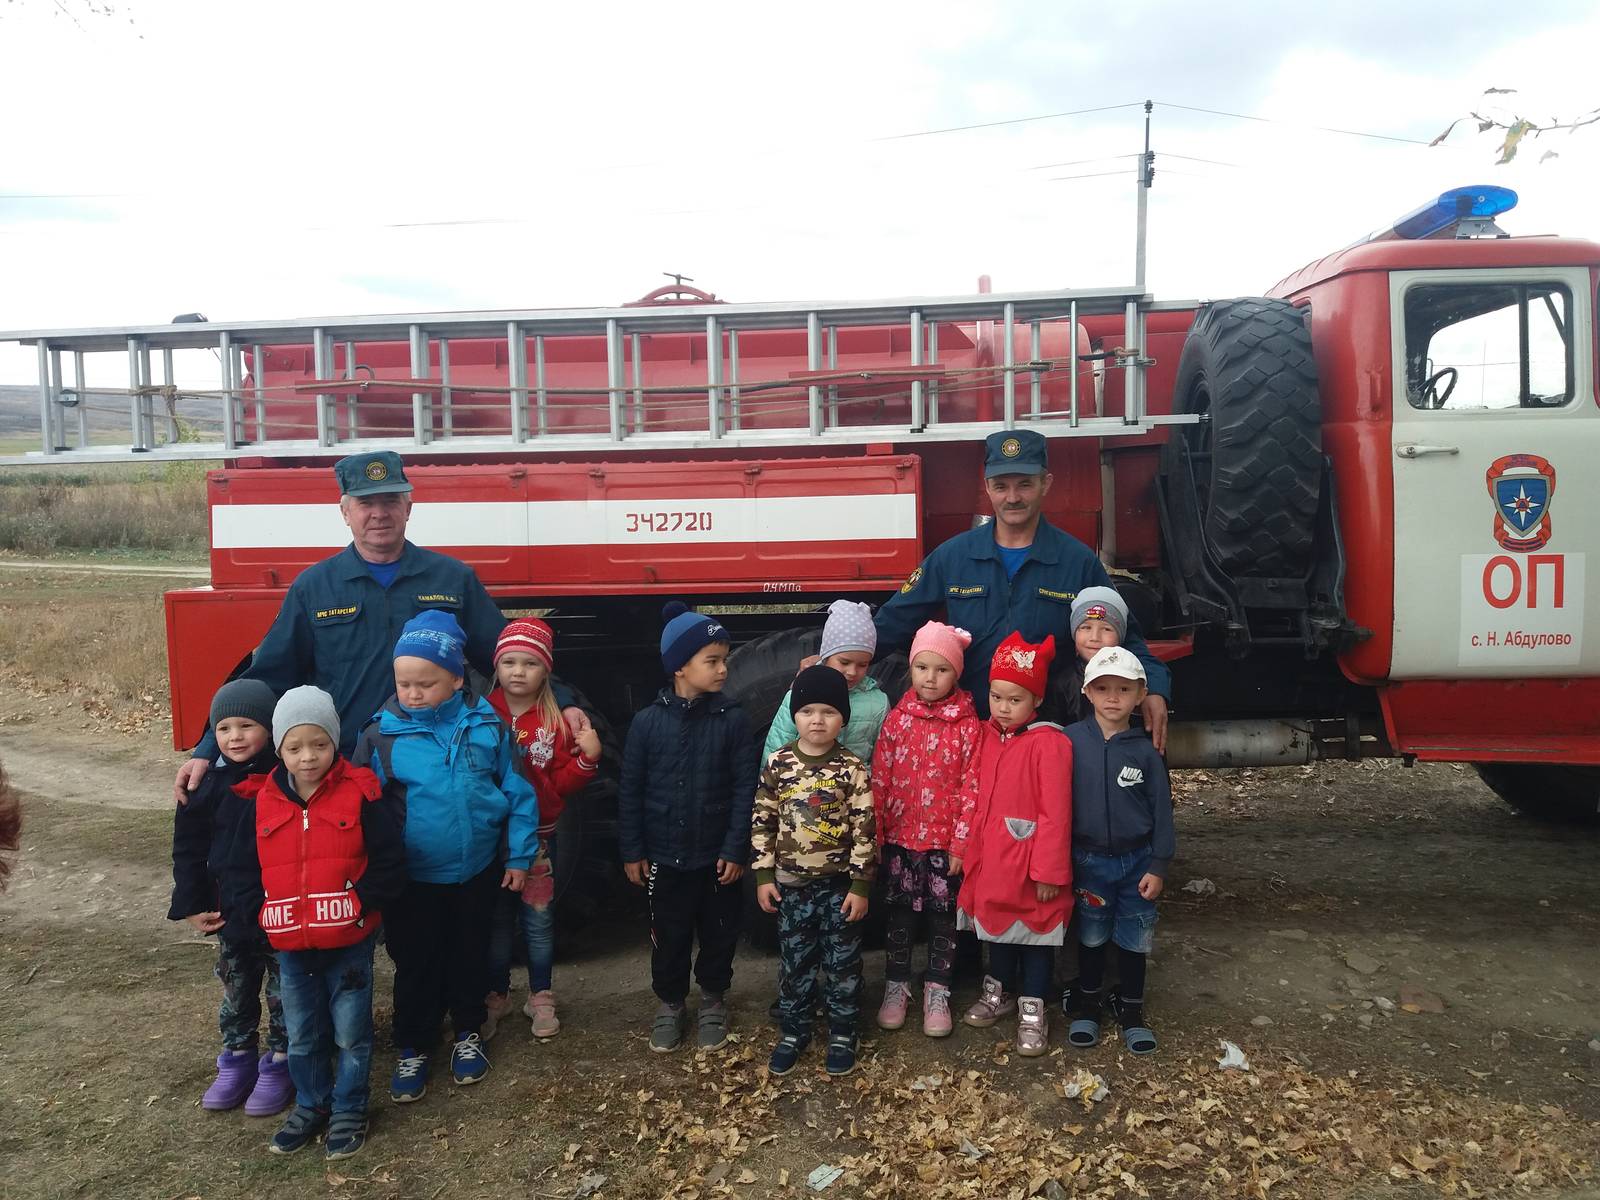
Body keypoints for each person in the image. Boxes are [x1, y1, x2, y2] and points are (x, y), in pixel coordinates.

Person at [173, 451, 585, 799]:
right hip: (350, 768)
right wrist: (210, 748)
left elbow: (510, 660)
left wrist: (563, 703)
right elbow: (269, 678)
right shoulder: (314, 588)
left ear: (408, 507)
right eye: (366, 503)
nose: (379, 513)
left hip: (443, 765)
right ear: (345, 512)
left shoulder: (452, 579)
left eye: (390, 500)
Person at [873, 429, 1172, 750]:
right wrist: (836, 658)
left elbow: (1126, 638)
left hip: (1049, 732)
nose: (1012, 497)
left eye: (1025, 485)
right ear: (987, 487)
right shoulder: (953, 556)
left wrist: (1154, 688)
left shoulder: (1076, 561)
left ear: (1046, 483)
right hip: (970, 729)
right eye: (1001, 486)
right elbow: (893, 622)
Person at [354, 610, 540, 1101]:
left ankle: (467, 1033)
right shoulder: (381, 735)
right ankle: (413, 1044)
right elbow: (360, 808)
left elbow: (518, 793)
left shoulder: (488, 727)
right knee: (415, 961)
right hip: (412, 880)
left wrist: (519, 858)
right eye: (404, 683)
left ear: (457, 679)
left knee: (468, 956)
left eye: (426, 683)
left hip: (475, 873)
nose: (413, 694)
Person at [239, 686, 406, 1159]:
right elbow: (243, 867)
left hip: (348, 939)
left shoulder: (361, 794)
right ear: (279, 749)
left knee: (351, 1031)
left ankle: (350, 1106)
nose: (308, 757)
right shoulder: (261, 801)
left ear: (335, 743)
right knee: (303, 1031)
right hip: (292, 945)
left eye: (319, 744)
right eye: (295, 747)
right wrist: (257, 913)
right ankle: (312, 1103)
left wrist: (362, 901)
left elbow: (390, 858)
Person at [619, 602, 759, 1053]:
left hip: (718, 858)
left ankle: (714, 998)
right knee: (669, 933)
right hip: (665, 855)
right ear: (680, 666)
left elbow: (745, 789)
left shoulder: (733, 720)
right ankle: (671, 1003)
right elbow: (631, 790)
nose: (723, 670)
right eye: (712, 660)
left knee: (720, 930)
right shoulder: (646, 724)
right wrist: (633, 850)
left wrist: (736, 849)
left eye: (725, 660)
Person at [167, 679, 292, 1117]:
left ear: (272, 730)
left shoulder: (287, 779)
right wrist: (192, 902)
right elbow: (188, 849)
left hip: (279, 911)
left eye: (246, 725)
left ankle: (281, 1060)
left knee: (283, 990)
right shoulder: (204, 785)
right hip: (230, 911)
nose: (234, 737)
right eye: (223, 728)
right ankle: (237, 1058)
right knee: (237, 987)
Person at [753, 665, 876, 1077]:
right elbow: (763, 822)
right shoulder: (779, 764)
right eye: (808, 711)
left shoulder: (852, 769)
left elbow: (865, 827)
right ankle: (794, 1030)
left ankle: (843, 1031)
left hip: (839, 888)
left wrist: (860, 884)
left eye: (828, 711)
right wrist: (764, 877)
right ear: (795, 715)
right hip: (791, 887)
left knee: (842, 964)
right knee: (795, 963)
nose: (817, 720)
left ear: (843, 718)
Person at [484, 618, 602, 1039]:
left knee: (537, 920)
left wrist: (586, 760)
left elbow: (562, 783)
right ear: (496, 667)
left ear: (546, 670)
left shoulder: (556, 721)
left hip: (537, 841)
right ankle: (496, 994)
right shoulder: (481, 714)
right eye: (509, 662)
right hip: (490, 841)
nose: (518, 671)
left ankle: (541, 994)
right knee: (496, 922)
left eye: (529, 663)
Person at [957, 632, 1073, 1057]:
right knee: (999, 933)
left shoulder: (1050, 743)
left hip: (1029, 864)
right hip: (993, 863)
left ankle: (1034, 1007)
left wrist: (1048, 872)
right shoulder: (986, 736)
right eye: (997, 695)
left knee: (1036, 937)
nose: (1004, 707)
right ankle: (1000, 992)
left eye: (1015, 699)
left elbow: (1056, 814)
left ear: (1036, 700)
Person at [870, 621, 982, 1039]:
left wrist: (961, 844)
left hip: (943, 846)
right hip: (900, 842)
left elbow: (973, 787)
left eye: (941, 669)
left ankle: (938, 989)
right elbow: (879, 779)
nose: (930, 678)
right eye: (922, 668)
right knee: (898, 917)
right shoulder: (897, 720)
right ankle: (896, 986)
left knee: (943, 920)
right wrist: (877, 836)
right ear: (910, 670)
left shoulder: (968, 727)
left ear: (957, 674)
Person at [1063, 646, 1174, 1056]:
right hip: (1088, 861)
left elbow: (1163, 811)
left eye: (1123, 689)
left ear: (1140, 694)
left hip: (1137, 864)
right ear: (1087, 692)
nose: (1113, 697)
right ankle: (1089, 1004)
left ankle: (1131, 1011)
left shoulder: (1146, 751)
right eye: (1103, 688)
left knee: (1134, 938)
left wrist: (1158, 865)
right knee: (1091, 935)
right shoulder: (1069, 742)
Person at [762, 600, 890, 762]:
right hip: (801, 785)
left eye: (862, 665)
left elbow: (882, 758)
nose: (852, 672)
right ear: (826, 656)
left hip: (855, 786)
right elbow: (777, 745)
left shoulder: (878, 703)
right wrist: (769, 785)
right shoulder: (801, 692)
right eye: (844, 662)